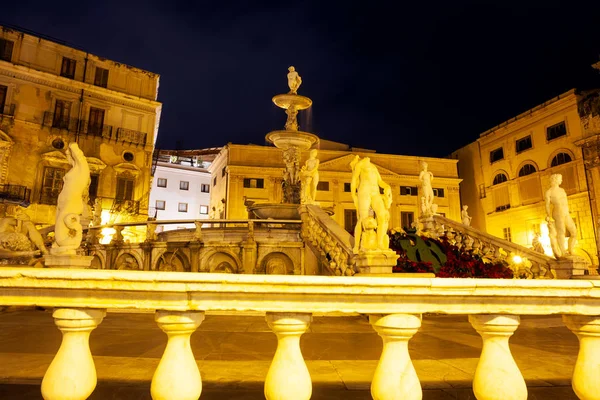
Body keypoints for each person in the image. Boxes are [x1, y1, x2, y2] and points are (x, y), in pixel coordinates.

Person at [350, 155, 392, 254]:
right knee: (362, 219)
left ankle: (380, 243)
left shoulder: (373, 167)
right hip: (364, 192)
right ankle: (357, 246)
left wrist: (387, 186)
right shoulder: (360, 165)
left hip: (375, 193)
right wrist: (354, 196)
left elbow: (380, 181)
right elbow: (354, 180)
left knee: (383, 217)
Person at [544, 173, 577, 258]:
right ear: (555, 180)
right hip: (558, 212)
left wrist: (569, 209)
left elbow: (565, 201)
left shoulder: (562, 190)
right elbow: (547, 205)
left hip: (566, 212)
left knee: (574, 232)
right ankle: (563, 252)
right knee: (561, 232)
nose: (561, 180)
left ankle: (571, 250)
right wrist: (548, 215)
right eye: (560, 179)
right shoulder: (549, 192)